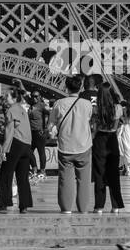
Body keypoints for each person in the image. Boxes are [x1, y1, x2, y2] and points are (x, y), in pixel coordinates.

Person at [50, 74, 94, 214]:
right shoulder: (87, 104)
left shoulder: (59, 103)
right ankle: (83, 208)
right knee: (84, 180)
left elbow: (51, 125)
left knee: (65, 179)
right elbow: (89, 120)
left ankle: (66, 208)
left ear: (66, 87)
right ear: (81, 87)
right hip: (84, 145)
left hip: (66, 145)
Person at [0, 84, 33, 213]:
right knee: (23, 177)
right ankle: (24, 205)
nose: (5, 98)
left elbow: (9, 132)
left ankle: (3, 204)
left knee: (5, 174)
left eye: (7, 96)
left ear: (14, 98)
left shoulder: (11, 110)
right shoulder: (22, 109)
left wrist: (3, 150)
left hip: (16, 143)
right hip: (27, 145)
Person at [91, 84, 124, 213]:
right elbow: (115, 126)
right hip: (112, 139)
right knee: (114, 174)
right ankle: (115, 205)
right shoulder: (118, 108)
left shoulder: (96, 109)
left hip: (99, 140)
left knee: (99, 174)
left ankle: (99, 206)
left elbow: (94, 128)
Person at [28, 91, 50, 181]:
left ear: (40, 96)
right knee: (29, 151)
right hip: (31, 132)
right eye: (33, 96)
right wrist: (20, 84)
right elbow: (24, 93)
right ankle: (34, 169)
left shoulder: (42, 105)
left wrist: (46, 128)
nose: (34, 98)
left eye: (36, 96)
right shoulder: (31, 104)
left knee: (41, 152)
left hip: (39, 132)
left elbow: (51, 114)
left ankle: (42, 171)